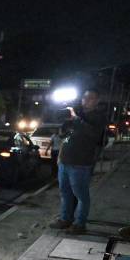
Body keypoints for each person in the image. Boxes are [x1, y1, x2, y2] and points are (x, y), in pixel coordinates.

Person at [49, 89, 107, 234]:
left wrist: (75, 119)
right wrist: (60, 155)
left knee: (81, 195)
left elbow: (94, 135)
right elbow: (66, 137)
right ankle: (65, 219)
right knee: (65, 193)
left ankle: (80, 224)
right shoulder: (77, 115)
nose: (86, 100)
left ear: (97, 101)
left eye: (90, 98)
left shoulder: (98, 117)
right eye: (84, 97)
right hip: (65, 161)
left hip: (80, 164)